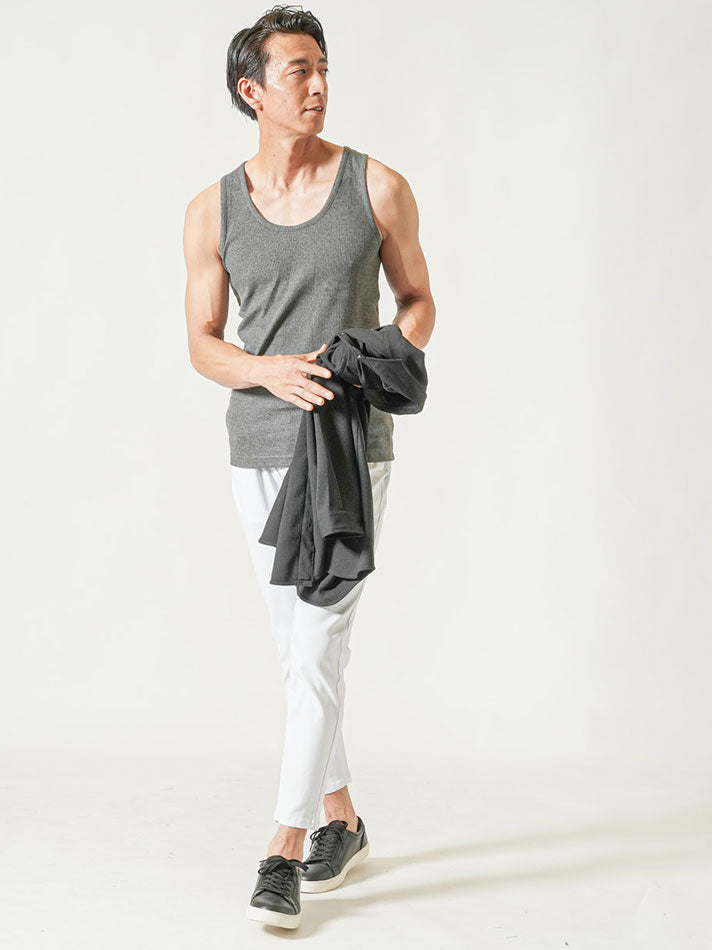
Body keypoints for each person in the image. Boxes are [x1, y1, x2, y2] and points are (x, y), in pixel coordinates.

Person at [182, 4, 436, 929]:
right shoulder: (212, 209)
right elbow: (203, 343)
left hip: (349, 450)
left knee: (320, 646)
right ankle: (343, 819)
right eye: (299, 71)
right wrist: (268, 371)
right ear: (251, 90)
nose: (319, 84)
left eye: (324, 68)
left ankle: (283, 850)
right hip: (257, 447)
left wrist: (371, 356)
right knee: (299, 653)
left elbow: (418, 302)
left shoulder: (379, 187)